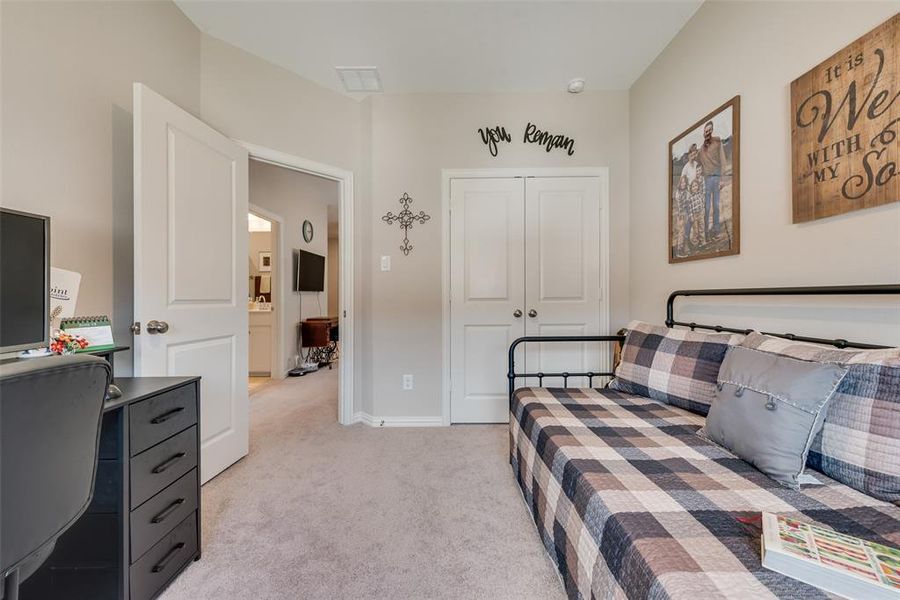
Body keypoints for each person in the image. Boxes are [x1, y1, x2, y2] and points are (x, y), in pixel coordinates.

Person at [698, 120, 730, 238]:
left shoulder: (717, 142)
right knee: (706, 207)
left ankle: (716, 230)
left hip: (716, 178)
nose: (707, 132)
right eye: (706, 131)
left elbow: (723, 160)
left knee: (716, 205)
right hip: (706, 180)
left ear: (712, 131)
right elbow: (697, 163)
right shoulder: (701, 150)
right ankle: (706, 232)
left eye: (709, 130)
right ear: (703, 132)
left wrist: (722, 179)